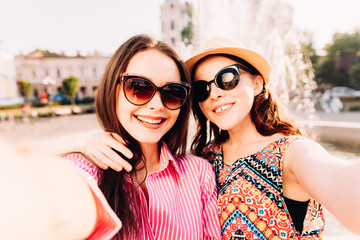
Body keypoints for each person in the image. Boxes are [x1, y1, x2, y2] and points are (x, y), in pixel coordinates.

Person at [84, 37, 360, 239]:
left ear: (257, 82)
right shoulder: (205, 157)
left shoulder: (291, 152)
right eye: (202, 88)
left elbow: (339, 182)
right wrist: (95, 144)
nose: (214, 93)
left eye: (227, 79)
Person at [67, 34, 220, 239]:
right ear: (112, 89)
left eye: (173, 92)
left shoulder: (199, 173)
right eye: (138, 87)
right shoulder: (88, 171)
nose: (156, 105)